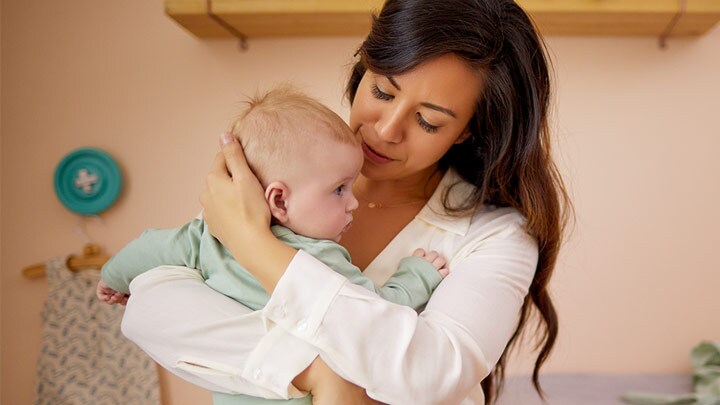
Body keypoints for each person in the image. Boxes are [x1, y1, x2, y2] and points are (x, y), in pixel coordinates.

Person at [120, 0, 571, 403]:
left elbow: (432, 371)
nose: (387, 129)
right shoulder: (288, 164)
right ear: (364, 68)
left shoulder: (496, 235)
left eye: (429, 121)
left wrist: (251, 242)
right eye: (381, 92)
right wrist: (317, 375)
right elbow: (151, 308)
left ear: (468, 131)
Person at [96, 86, 448, 404]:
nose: (353, 201)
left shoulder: (205, 234)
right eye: (339, 189)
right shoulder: (319, 259)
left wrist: (114, 278)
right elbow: (376, 311)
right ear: (278, 199)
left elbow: (149, 247)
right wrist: (417, 274)